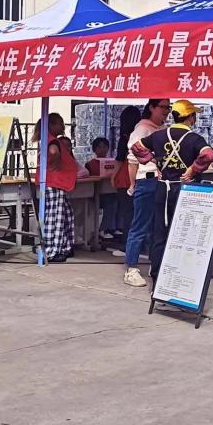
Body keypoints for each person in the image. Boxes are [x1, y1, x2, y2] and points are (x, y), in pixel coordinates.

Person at [134, 100, 213, 287]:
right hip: (185, 191)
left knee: (160, 235)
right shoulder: (194, 139)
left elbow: (137, 148)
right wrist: (193, 169)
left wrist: (154, 161)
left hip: (162, 189)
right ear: (191, 117)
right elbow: (209, 155)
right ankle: (181, 281)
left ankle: (157, 280)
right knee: (185, 236)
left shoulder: (159, 135)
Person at [121, 99, 170, 287]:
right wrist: (133, 185)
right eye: (163, 107)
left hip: (160, 181)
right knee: (140, 226)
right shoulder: (142, 129)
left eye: (168, 107)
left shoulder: (162, 128)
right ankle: (131, 269)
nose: (166, 111)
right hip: (146, 180)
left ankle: (155, 264)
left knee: (158, 226)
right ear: (151, 107)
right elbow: (132, 160)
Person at [33, 113, 78, 263]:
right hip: (54, 182)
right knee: (55, 216)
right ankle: (52, 250)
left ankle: (64, 246)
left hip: (52, 182)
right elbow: (53, 152)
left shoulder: (45, 139)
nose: (63, 126)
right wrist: (55, 161)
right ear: (52, 125)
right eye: (60, 123)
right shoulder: (52, 141)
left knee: (65, 214)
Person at [108, 106, 141, 244]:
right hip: (139, 176)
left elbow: (119, 159)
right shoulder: (141, 136)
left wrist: (113, 176)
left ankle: (127, 243)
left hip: (124, 177)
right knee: (137, 213)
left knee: (127, 213)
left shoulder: (125, 138)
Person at [86, 137, 118, 243]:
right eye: (99, 147)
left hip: (109, 192)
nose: (102, 149)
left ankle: (115, 227)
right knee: (111, 202)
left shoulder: (114, 162)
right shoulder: (89, 164)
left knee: (117, 199)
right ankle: (105, 229)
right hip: (94, 193)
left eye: (104, 147)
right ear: (94, 150)